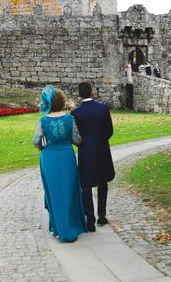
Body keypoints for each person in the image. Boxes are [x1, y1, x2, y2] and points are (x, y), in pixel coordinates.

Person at [33, 85, 87, 242]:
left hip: (49, 157)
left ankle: (58, 228)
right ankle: (71, 226)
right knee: (70, 190)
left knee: (54, 191)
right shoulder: (69, 119)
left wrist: (45, 145)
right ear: (62, 102)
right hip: (66, 156)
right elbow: (77, 140)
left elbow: (36, 142)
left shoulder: (42, 121)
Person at [71, 81, 115, 232]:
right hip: (102, 149)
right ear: (92, 92)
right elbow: (109, 131)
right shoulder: (103, 109)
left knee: (86, 186)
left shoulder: (75, 113)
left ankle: (90, 221)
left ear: (79, 94)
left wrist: (83, 144)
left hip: (85, 151)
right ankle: (101, 216)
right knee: (103, 183)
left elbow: (75, 137)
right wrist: (100, 140)